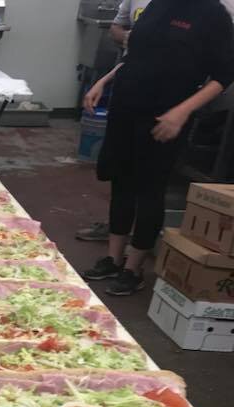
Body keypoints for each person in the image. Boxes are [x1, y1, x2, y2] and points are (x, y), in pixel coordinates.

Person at [81, 0, 234, 295]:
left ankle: (134, 268)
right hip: (126, 105)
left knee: (150, 188)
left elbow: (223, 76)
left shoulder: (212, 13)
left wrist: (182, 112)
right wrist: (104, 81)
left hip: (165, 114)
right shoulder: (157, 5)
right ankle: (114, 258)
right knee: (121, 180)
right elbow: (137, 55)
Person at [76, 0, 151, 243]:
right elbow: (119, 33)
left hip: (165, 99)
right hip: (129, 87)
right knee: (119, 168)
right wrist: (106, 79)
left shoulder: (209, 8)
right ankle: (116, 231)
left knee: (149, 177)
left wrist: (182, 110)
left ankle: (140, 241)